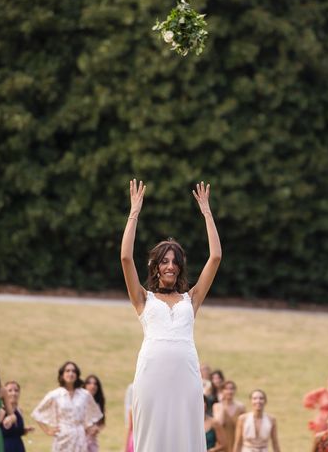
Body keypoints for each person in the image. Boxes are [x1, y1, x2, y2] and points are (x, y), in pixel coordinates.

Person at [121, 179, 222, 452]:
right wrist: (134, 212)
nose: (170, 266)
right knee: (152, 434)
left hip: (186, 374)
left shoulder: (192, 298)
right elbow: (126, 258)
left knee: (185, 433)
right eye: (164, 261)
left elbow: (215, 257)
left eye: (175, 261)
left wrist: (207, 212)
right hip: (151, 373)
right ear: (156, 266)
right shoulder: (143, 298)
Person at [31, 361, 103, 452]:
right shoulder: (55, 394)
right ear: (62, 375)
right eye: (67, 371)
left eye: (73, 371)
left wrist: (90, 427)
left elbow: (94, 413)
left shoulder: (84, 394)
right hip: (62, 437)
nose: (71, 373)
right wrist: (47, 431)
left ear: (77, 375)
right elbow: (37, 413)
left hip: (80, 437)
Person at [0, 381, 34, 452]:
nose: (13, 393)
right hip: (4, 447)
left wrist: (24, 430)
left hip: (18, 447)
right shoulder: (1, 410)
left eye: (16, 390)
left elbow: (16, 432)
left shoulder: (19, 410)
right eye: (10, 391)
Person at [213, 380, 246, 452]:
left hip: (236, 445)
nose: (229, 391)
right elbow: (219, 424)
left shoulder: (241, 407)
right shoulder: (217, 406)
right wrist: (222, 404)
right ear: (222, 391)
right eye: (226, 389)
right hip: (222, 447)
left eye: (232, 389)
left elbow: (244, 429)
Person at [84, 374, 106, 452]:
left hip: (93, 442)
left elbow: (102, 423)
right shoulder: (80, 402)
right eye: (89, 383)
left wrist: (97, 428)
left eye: (95, 383)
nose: (92, 386)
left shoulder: (98, 403)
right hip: (80, 441)